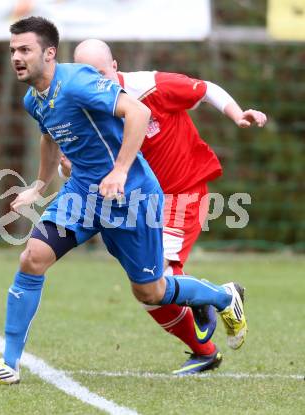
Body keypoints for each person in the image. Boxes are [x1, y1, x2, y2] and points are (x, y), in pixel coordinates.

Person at [0, 17, 247, 385]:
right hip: (84, 194)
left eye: (25, 50)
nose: (17, 58)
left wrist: (119, 170)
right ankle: (9, 365)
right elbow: (49, 138)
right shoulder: (32, 99)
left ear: (49, 53)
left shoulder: (78, 81)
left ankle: (222, 296)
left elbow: (139, 112)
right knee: (32, 258)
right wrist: (38, 186)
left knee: (152, 291)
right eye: (13, 51)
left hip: (131, 195)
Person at [58, 39, 266, 375]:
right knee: (146, 289)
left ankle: (217, 297)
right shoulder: (83, 106)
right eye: (85, 74)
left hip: (183, 192)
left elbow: (205, 88)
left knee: (160, 279)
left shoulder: (149, 87)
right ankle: (204, 349)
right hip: (139, 202)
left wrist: (236, 113)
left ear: (115, 66)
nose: (94, 81)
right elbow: (75, 163)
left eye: (99, 72)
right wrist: (65, 169)